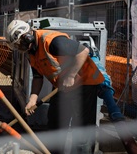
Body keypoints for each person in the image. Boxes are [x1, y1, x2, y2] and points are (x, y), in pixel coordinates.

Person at [6, 20, 105, 154]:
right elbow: (37, 76)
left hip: (84, 83)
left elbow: (83, 51)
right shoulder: (31, 51)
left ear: (25, 37)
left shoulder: (52, 41)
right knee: (55, 123)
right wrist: (33, 99)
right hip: (63, 86)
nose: (19, 48)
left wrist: (70, 76)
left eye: (18, 45)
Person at [82, 42, 125, 122]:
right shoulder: (95, 60)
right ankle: (116, 114)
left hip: (92, 81)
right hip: (101, 81)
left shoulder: (88, 61)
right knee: (105, 89)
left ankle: (115, 113)